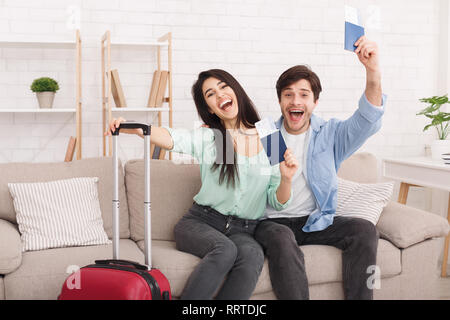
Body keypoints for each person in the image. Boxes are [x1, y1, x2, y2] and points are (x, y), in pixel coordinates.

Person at [106, 69, 299, 300]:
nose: (220, 95)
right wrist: (138, 128)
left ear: (235, 89)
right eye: (211, 94)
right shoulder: (213, 137)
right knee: (225, 250)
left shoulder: (270, 135)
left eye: (223, 86)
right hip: (201, 222)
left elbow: (277, 202)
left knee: (252, 256)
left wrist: (286, 178)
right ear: (209, 108)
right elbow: (174, 138)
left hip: (245, 228)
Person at [254, 36, 386, 300]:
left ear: (315, 102)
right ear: (280, 101)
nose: (296, 101)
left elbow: (368, 119)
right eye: (288, 94)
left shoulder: (330, 135)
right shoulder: (268, 134)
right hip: (273, 223)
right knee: (280, 236)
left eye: (304, 95)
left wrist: (372, 71)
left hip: (314, 222)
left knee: (364, 229)